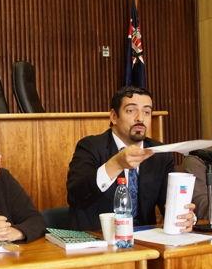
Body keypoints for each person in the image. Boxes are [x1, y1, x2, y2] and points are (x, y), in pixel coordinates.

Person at [67, 86, 195, 231]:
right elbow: (75, 197)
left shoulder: (159, 153)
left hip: (146, 240)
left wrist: (186, 218)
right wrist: (116, 164)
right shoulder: (90, 146)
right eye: (131, 110)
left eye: (147, 112)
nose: (140, 118)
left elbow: (169, 203)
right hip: (99, 239)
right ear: (114, 117)